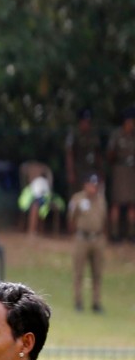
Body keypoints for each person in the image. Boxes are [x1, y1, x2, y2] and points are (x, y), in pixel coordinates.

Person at [68, 173, 107, 313]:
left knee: (97, 273)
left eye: (95, 185)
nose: (93, 188)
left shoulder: (101, 200)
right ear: (85, 185)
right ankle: (78, 302)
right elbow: (71, 218)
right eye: (91, 184)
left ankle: (96, 302)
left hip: (97, 238)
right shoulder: (78, 199)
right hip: (82, 238)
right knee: (79, 271)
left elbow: (104, 219)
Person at [108, 112, 135, 242]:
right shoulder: (117, 135)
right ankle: (114, 234)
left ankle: (131, 234)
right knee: (116, 203)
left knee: (132, 204)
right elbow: (110, 154)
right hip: (119, 171)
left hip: (132, 173)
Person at [64, 109, 103, 191]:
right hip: (78, 169)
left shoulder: (93, 134)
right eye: (84, 121)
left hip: (91, 169)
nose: (86, 124)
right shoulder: (74, 133)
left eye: (88, 121)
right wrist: (71, 172)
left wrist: (100, 171)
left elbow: (97, 153)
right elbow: (69, 153)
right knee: (77, 193)